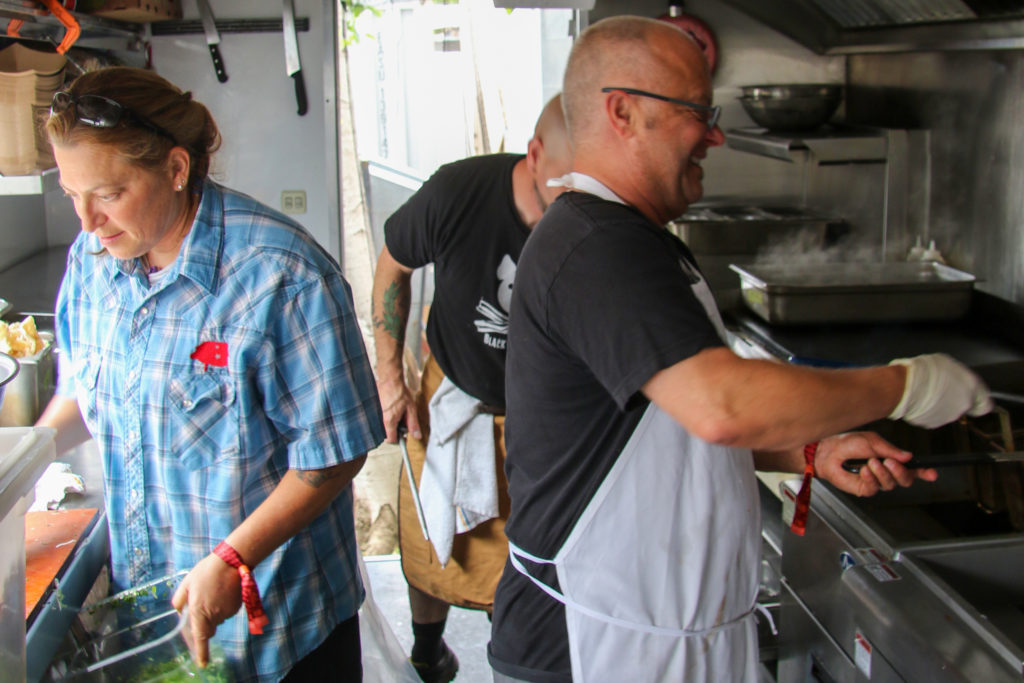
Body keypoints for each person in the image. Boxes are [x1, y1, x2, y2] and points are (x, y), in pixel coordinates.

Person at [488, 16, 993, 683]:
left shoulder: (634, 239)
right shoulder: (595, 246)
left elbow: (656, 427)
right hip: (589, 645)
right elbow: (720, 404)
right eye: (698, 111)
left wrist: (804, 450)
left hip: (659, 642)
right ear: (623, 112)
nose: (716, 133)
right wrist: (909, 385)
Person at [37, 66, 386, 683]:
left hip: (277, 627)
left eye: (109, 194)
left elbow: (332, 456)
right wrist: (19, 462)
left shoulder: (281, 275)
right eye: (71, 194)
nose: (86, 220)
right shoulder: (92, 263)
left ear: (176, 169)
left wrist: (233, 557)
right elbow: (82, 393)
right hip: (155, 618)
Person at [371, 94, 572, 681]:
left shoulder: (591, 220)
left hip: (545, 414)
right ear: (534, 156)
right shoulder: (458, 192)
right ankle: (427, 650)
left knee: (522, 560)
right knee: (433, 542)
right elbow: (392, 266)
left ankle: (509, 659)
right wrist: (392, 375)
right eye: (563, 187)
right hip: (450, 391)